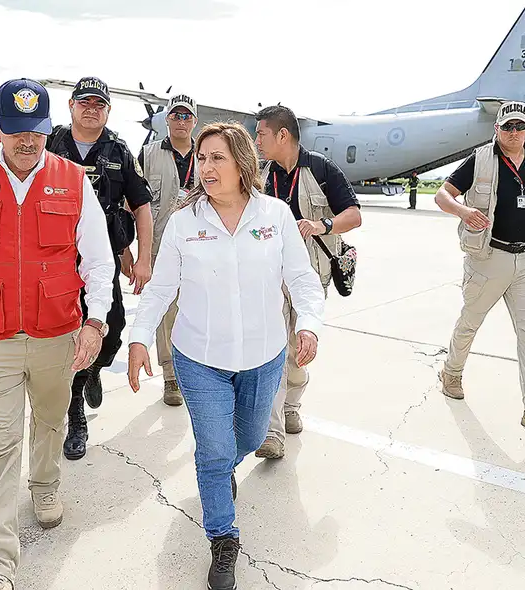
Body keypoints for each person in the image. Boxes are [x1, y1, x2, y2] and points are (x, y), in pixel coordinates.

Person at [0, 78, 116, 590]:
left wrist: (95, 321)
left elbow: (98, 263)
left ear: (47, 129)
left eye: (34, 131)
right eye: (14, 132)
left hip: (58, 332)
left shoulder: (74, 180)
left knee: (51, 423)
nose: (26, 142)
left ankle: (46, 484)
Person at [127, 122, 324, 590]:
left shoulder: (274, 215)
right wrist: (138, 337)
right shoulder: (184, 221)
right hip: (200, 357)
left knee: (252, 437)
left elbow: (302, 280)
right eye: (202, 158)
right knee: (214, 451)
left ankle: (217, 472)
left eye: (218, 157)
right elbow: (161, 289)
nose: (207, 167)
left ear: (242, 162)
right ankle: (222, 537)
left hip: (264, 355)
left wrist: (310, 325)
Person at [433, 100, 525, 430]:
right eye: (507, 126)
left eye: (519, 126)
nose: (513, 132)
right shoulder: (480, 159)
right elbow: (442, 195)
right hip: (488, 258)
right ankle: (452, 372)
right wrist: (463, 212)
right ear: (497, 129)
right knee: (470, 321)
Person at [45, 75, 154, 461]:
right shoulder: (48, 144)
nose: (91, 109)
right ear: (71, 106)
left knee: (112, 329)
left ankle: (93, 368)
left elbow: (141, 205)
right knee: (66, 334)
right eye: (84, 102)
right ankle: (75, 413)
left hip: (101, 260)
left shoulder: (119, 151)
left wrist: (142, 258)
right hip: (54, 259)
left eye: (99, 104)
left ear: (108, 111)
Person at [253, 104, 362, 459]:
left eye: (261, 134)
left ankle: (292, 404)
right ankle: (272, 432)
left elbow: (354, 215)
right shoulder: (262, 175)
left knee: (297, 349)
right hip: (271, 276)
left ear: (282, 135)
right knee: (271, 348)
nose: (257, 141)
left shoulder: (320, 168)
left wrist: (323, 225)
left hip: (310, 277)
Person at [136, 93, 199, 406]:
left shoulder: (208, 154)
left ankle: (200, 369)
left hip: (203, 246)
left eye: (187, 116)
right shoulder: (148, 154)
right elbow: (134, 203)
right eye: (176, 115)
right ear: (167, 119)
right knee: (167, 311)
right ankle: (171, 376)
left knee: (202, 309)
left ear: (195, 121)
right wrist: (138, 253)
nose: (181, 121)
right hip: (163, 246)